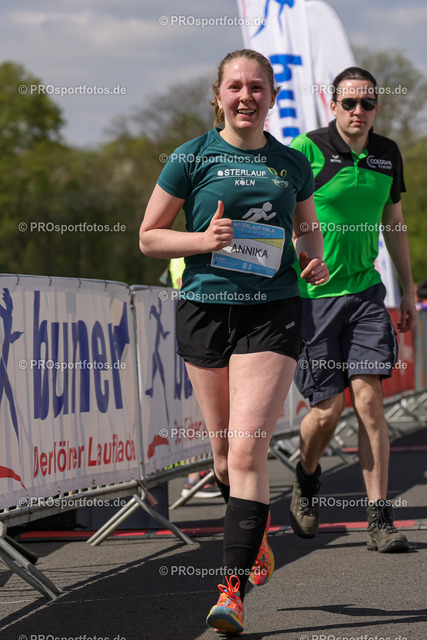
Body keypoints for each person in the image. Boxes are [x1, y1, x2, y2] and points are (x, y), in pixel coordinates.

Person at [139, 48, 328, 635]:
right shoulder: (190, 156)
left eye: (257, 87)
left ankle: (231, 591)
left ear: (273, 96)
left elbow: (307, 229)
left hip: (271, 313)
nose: (246, 96)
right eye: (235, 87)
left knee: (247, 452)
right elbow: (149, 237)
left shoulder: (291, 163)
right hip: (204, 311)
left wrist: (313, 259)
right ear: (218, 96)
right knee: (223, 457)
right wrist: (204, 240)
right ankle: (255, 533)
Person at [289, 66, 417, 553]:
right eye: (349, 102)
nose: (358, 111)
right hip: (314, 300)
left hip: (366, 295)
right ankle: (306, 475)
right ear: (333, 105)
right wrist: (298, 259)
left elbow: (394, 223)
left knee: (368, 402)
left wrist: (407, 288)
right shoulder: (308, 149)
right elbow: (280, 214)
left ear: (376, 107)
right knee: (327, 411)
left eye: (367, 103)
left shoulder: (387, 153)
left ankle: (380, 519)